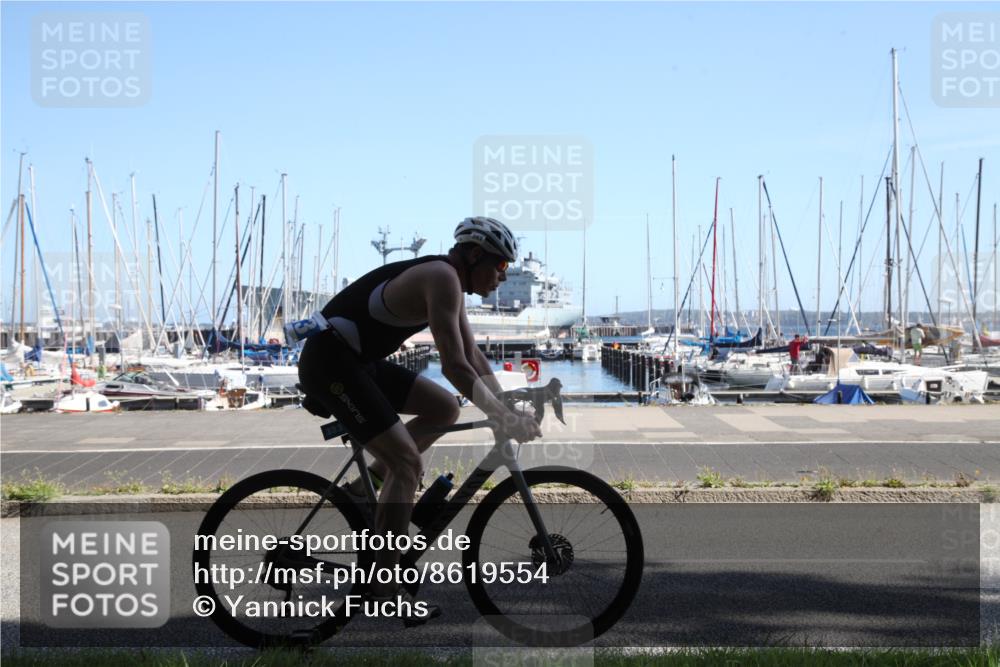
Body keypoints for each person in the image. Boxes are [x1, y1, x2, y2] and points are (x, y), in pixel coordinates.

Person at [296, 216, 542, 623]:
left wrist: (506, 407)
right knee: (407, 463)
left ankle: (366, 487)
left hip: (356, 361)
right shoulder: (441, 277)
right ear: (475, 254)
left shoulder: (450, 281)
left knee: (445, 408)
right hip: (330, 364)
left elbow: (473, 358)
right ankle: (386, 587)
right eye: (500, 266)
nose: (503, 276)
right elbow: (454, 368)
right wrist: (500, 415)